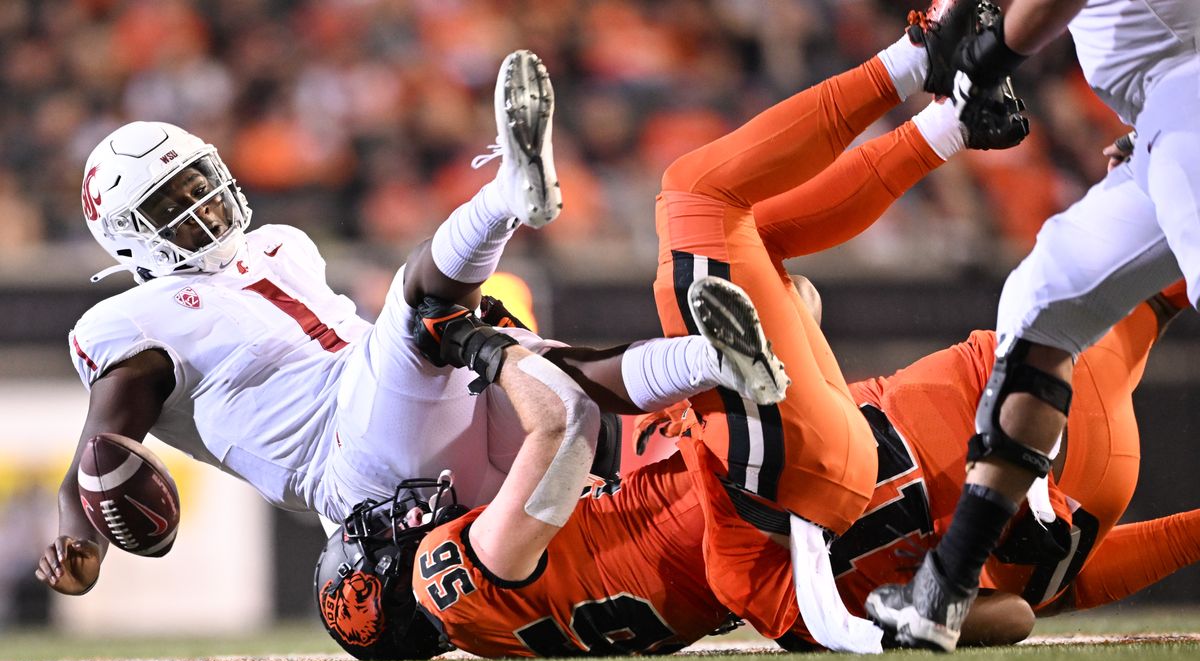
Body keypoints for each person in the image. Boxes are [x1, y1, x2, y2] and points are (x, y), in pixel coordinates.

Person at [314, 7, 1035, 661]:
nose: (397, 516)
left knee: (774, 270)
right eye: (376, 535)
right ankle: (917, 62)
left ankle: (954, 122)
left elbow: (1020, 615)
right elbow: (563, 423)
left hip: (775, 557)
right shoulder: (446, 581)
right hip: (742, 493)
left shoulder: (503, 628)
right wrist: (486, 347)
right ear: (379, 587)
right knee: (697, 191)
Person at [35, 51, 778, 597]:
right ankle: (507, 196)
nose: (200, 205)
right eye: (171, 203)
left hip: (418, 427)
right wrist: (79, 539)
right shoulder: (132, 322)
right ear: (130, 239)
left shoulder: (280, 244)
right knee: (423, 310)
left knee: (545, 374)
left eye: (197, 182)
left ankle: (716, 360)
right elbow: (97, 453)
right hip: (353, 472)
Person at [866, 0, 1200, 652]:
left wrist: (988, 57)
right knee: (1039, 301)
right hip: (1166, 114)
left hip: (1187, 98)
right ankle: (946, 587)